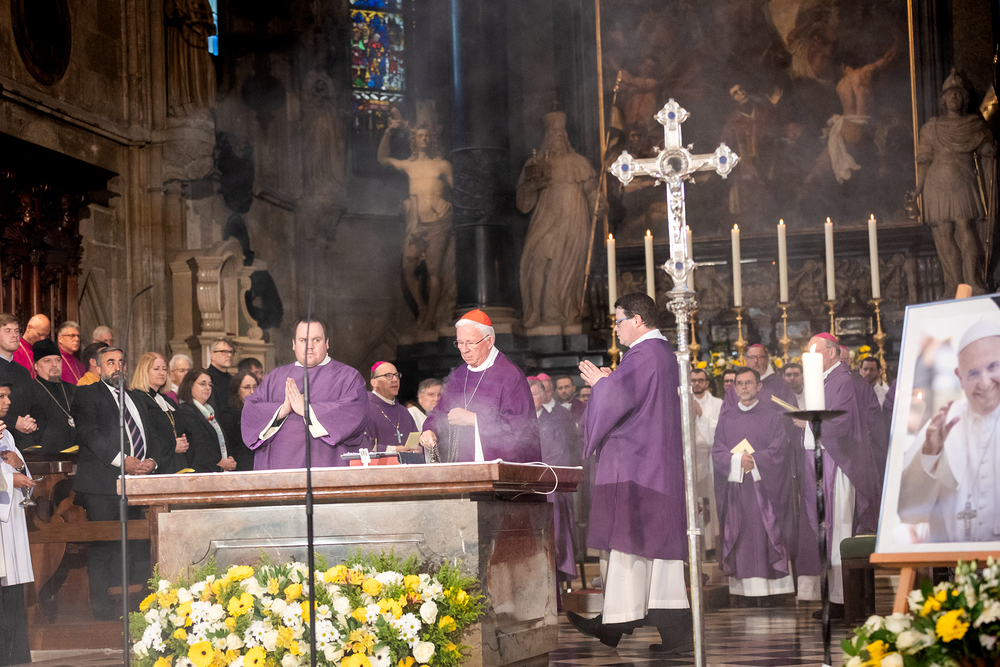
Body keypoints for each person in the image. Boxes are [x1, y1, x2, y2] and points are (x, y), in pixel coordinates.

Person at [568, 293, 691, 654]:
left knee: (629, 542)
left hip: (637, 464)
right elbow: (634, 398)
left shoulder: (644, 354)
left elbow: (616, 401)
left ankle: (615, 622)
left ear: (637, 320)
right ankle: (654, 630)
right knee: (654, 551)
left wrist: (601, 384)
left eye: (618, 320)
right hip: (654, 462)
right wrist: (611, 382)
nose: (616, 329)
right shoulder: (661, 353)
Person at [71, 346, 165, 620]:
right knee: (104, 545)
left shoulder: (136, 397)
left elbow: (154, 435)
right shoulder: (88, 394)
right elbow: (90, 434)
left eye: (121, 362)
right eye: (110, 362)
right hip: (102, 484)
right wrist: (122, 460)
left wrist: (152, 461)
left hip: (138, 483)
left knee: (136, 546)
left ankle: (134, 607)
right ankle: (101, 608)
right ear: (98, 367)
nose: (117, 367)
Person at [793, 333, 883, 618]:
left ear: (831, 353)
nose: (811, 358)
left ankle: (845, 600)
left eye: (816, 352)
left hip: (839, 466)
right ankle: (835, 598)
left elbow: (840, 423)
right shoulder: (827, 380)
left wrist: (807, 423)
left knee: (840, 529)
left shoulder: (842, 380)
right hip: (826, 462)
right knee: (829, 531)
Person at [899, 320, 1000, 542]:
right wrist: (930, 453)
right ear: (959, 378)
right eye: (973, 373)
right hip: (952, 560)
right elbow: (907, 509)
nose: (984, 383)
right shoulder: (945, 422)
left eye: (993, 367)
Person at [242, 317, 370, 469]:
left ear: (327, 343)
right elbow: (251, 411)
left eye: (316, 340)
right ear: (294, 344)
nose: (310, 346)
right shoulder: (274, 377)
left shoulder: (348, 377)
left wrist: (306, 410)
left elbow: (353, 413)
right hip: (279, 468)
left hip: (326, 467)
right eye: (303, 340)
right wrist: (281, 410)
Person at [713, 368, 795, 604]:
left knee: (767, 533)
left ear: (759, 387)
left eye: (749, 382)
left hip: (765, 490)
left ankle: (773, 593)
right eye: (740, 383)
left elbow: (780, 450)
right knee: (742, 536)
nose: (744, 387)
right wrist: (737, 461)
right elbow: (717, 452)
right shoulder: (726, 418)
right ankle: (744, 594)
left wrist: (755, 460)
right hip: (738, 490)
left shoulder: (773, 416)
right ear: (734, 388)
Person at [912, 69, 995, 296]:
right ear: (943, 99)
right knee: (944, 233)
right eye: (949, 94)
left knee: (966, 227)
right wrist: (918, 188)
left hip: (963, 181)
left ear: (964, 98)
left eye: (958, 93)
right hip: (936, 185)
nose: (954, 97)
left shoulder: (974, 124)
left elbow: (984, 147)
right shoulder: (931, 128)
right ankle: (954, 284)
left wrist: (990, 150)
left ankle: (972, 281)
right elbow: (924, 160)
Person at [420, 310, 541, 462]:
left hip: (497, 468)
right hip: (461, 467)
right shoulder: (458, 375)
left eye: (470, 343)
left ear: (489, 341)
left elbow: (521, 430)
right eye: (460, 343)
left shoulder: (510, 375)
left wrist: (474, 419)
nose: (464, 350)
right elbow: (439, 413)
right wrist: (429, 430)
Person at [517, 111, 600, 331]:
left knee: (566, 267)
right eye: (552, 135)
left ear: (566, 137)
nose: (557, 138)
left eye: (560, 134)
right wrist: (531, 187)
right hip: (546, 216)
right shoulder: (536, 163)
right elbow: (523, 202)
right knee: (537, 259)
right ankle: (535, 313)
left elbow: (593, 192)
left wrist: (599, 204)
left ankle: (563, 312)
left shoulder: (579, 163)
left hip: (573, 220)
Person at [378, 116, 454, 331]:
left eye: (428, 136)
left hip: (438, 223)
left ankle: (430, 317)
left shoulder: (442, 165)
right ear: (414, 139)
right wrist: (388, 132)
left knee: (433, 271)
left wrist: (450, 206)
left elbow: (458, 190)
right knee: (407, 268)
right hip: (416, 225)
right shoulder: (409, 165)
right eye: (420, 136)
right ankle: (422, 308)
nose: (424, 139)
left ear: (432, 140)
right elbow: (382, 159)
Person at [0, 382, 35, 666]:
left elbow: (21, 470)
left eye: (8, 395)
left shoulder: (7, 434)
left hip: (10, 520)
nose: (8, 401)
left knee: (11, 592)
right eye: (1, 396)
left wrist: (20, 467)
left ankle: (16, 658)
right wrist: (11, 479)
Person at [529, 378, 577, 584]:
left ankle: (552, 571)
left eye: (535, 394)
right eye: (528, 395)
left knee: (552, 505)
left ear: (544, 396)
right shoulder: (518, 424)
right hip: (523, 484)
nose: (532, 399)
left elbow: (559, 456)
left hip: (548, 484)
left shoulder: (555, 422)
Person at [129, 352, 189, 475]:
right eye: (156, 369)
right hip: (157, 464)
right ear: (144, 371)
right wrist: (173, 445)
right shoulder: (137, 398)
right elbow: (147, 434)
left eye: (164, 369)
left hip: (177, 462)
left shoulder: (167, 400)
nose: (162, 373)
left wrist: (183, 440)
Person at [176, 369, 237, 473]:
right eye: (202, 384)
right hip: (198, 471)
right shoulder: (185, 410)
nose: (207, 388)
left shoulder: (209, 410)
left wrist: (229, 457)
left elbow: (220, 438)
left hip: (215, 470)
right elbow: (198, 443)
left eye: (210, 385)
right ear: (190, 386)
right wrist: (220, 461)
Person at [28, 339, 77, 455]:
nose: (54, 365)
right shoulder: (29, 390)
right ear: (36, 366)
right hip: (46, 456)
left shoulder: (73, 389)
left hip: (77, 453)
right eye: (47, 361)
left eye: (58, 360)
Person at [692, 367, 723, 553]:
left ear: (707, 383)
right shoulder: (682, 402)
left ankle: (712, 547)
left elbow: (720, 430)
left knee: (711, 504)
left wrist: (701, 415)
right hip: (690, 460)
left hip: (710, 459)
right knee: (694, 504)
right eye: (693, 380)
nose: (696, 383)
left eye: (700, 380)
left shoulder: (718, 403)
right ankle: (697, 547)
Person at [0, 315, 37, 449]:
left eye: (16, 331)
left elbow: (33, 404)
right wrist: (14, 422)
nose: (15, 335)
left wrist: (32, 422)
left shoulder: (23, 371)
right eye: (8, 331)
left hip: (25, 442)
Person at [367, 361, 417, 451]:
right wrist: (393, 450)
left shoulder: (404, 412)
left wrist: (419, 449)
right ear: (374, 382)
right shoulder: (364, 408)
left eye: (396, 375)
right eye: (388, 376)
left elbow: (417, 443)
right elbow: (361, 446)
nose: (395, 380)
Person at [218, 371, 257, 471]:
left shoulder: (262, 411)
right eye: (247, 387)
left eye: (255, 387)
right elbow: (232, 446)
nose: (252, 391)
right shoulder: (229, 415)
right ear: (237, 390)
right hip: (240, 467)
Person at [206, 338, 235, 411]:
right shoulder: (206, 378)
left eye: (230, 352)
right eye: (224, 352)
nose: (229, 355)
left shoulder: (233, 380)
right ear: (212, 355)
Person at [56, 321, 86, 385]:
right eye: (72, 336)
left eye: (78, 336)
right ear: (60, 339)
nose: (77, 339)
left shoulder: (79, 363)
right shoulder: (54, 362)